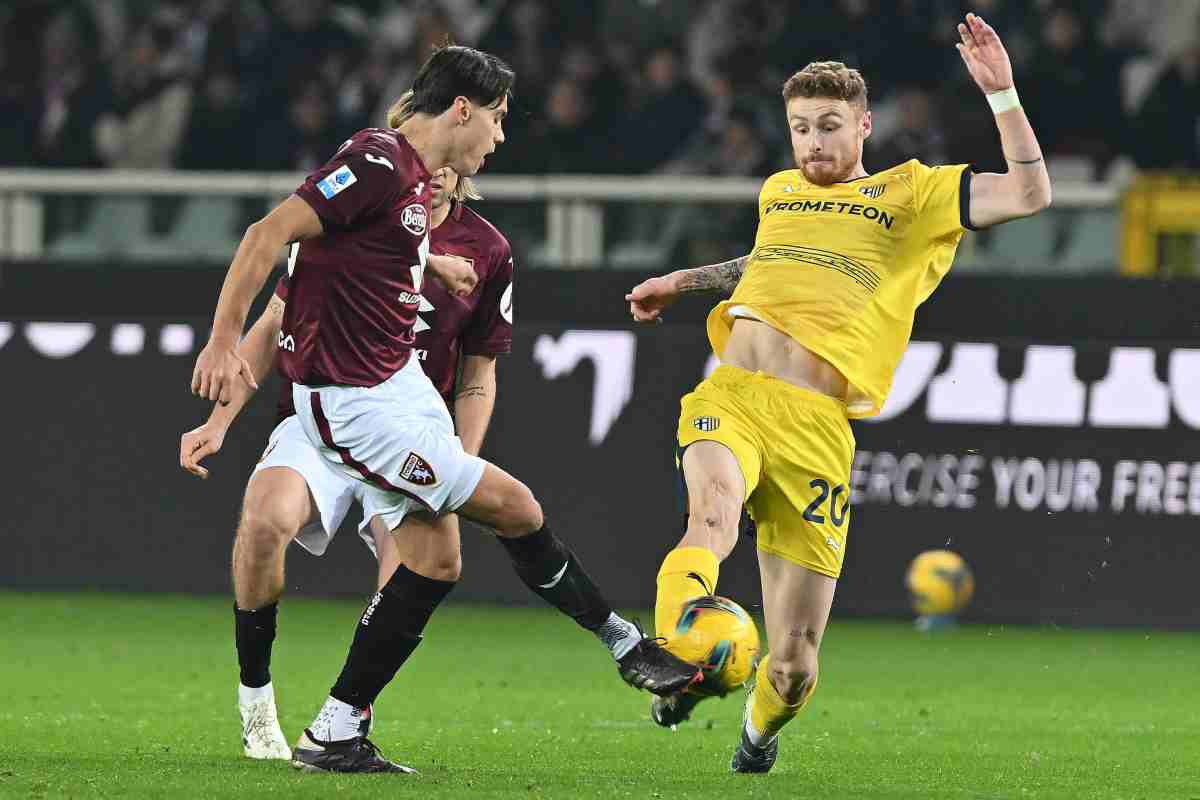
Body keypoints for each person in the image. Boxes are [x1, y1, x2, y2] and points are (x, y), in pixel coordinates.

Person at [190, 45, 700, 774]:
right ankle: (624, 642)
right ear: (461, 109)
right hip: (353, 403)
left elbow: (367, 244)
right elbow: (264, 237)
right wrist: (219, 344)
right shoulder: (374, 160)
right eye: (494, 120)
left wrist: (431, 263)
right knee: (515, 507)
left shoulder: (412, 185)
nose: (498, 138)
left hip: (400, 388)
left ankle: (334, 733)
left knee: (437, 561)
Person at [625, 14, 1051, 774]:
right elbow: (765, 260)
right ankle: (675, 654)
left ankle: (757, 734)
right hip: (735, 393)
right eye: (799, 127)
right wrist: (682, 283)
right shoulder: (780, 190)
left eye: (828, 125)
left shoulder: (912, 193)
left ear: (864, 126)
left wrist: (1003, 95)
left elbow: (1029, 191)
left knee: (792, 662)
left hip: (818, 427)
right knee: (711, 516)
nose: (813, 141)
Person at [180, 162, 512, 762]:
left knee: (408, 568)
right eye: (425, 160)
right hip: (323, 413)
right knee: (262, 523)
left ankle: (346, 719)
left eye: (447, 165)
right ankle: (255, 696)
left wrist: (458, 467)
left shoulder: (487, 250)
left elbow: (478, 377)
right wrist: (219, 421)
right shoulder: (359, 215)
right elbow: (275, 322)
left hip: (407, 431)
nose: (435, 174)